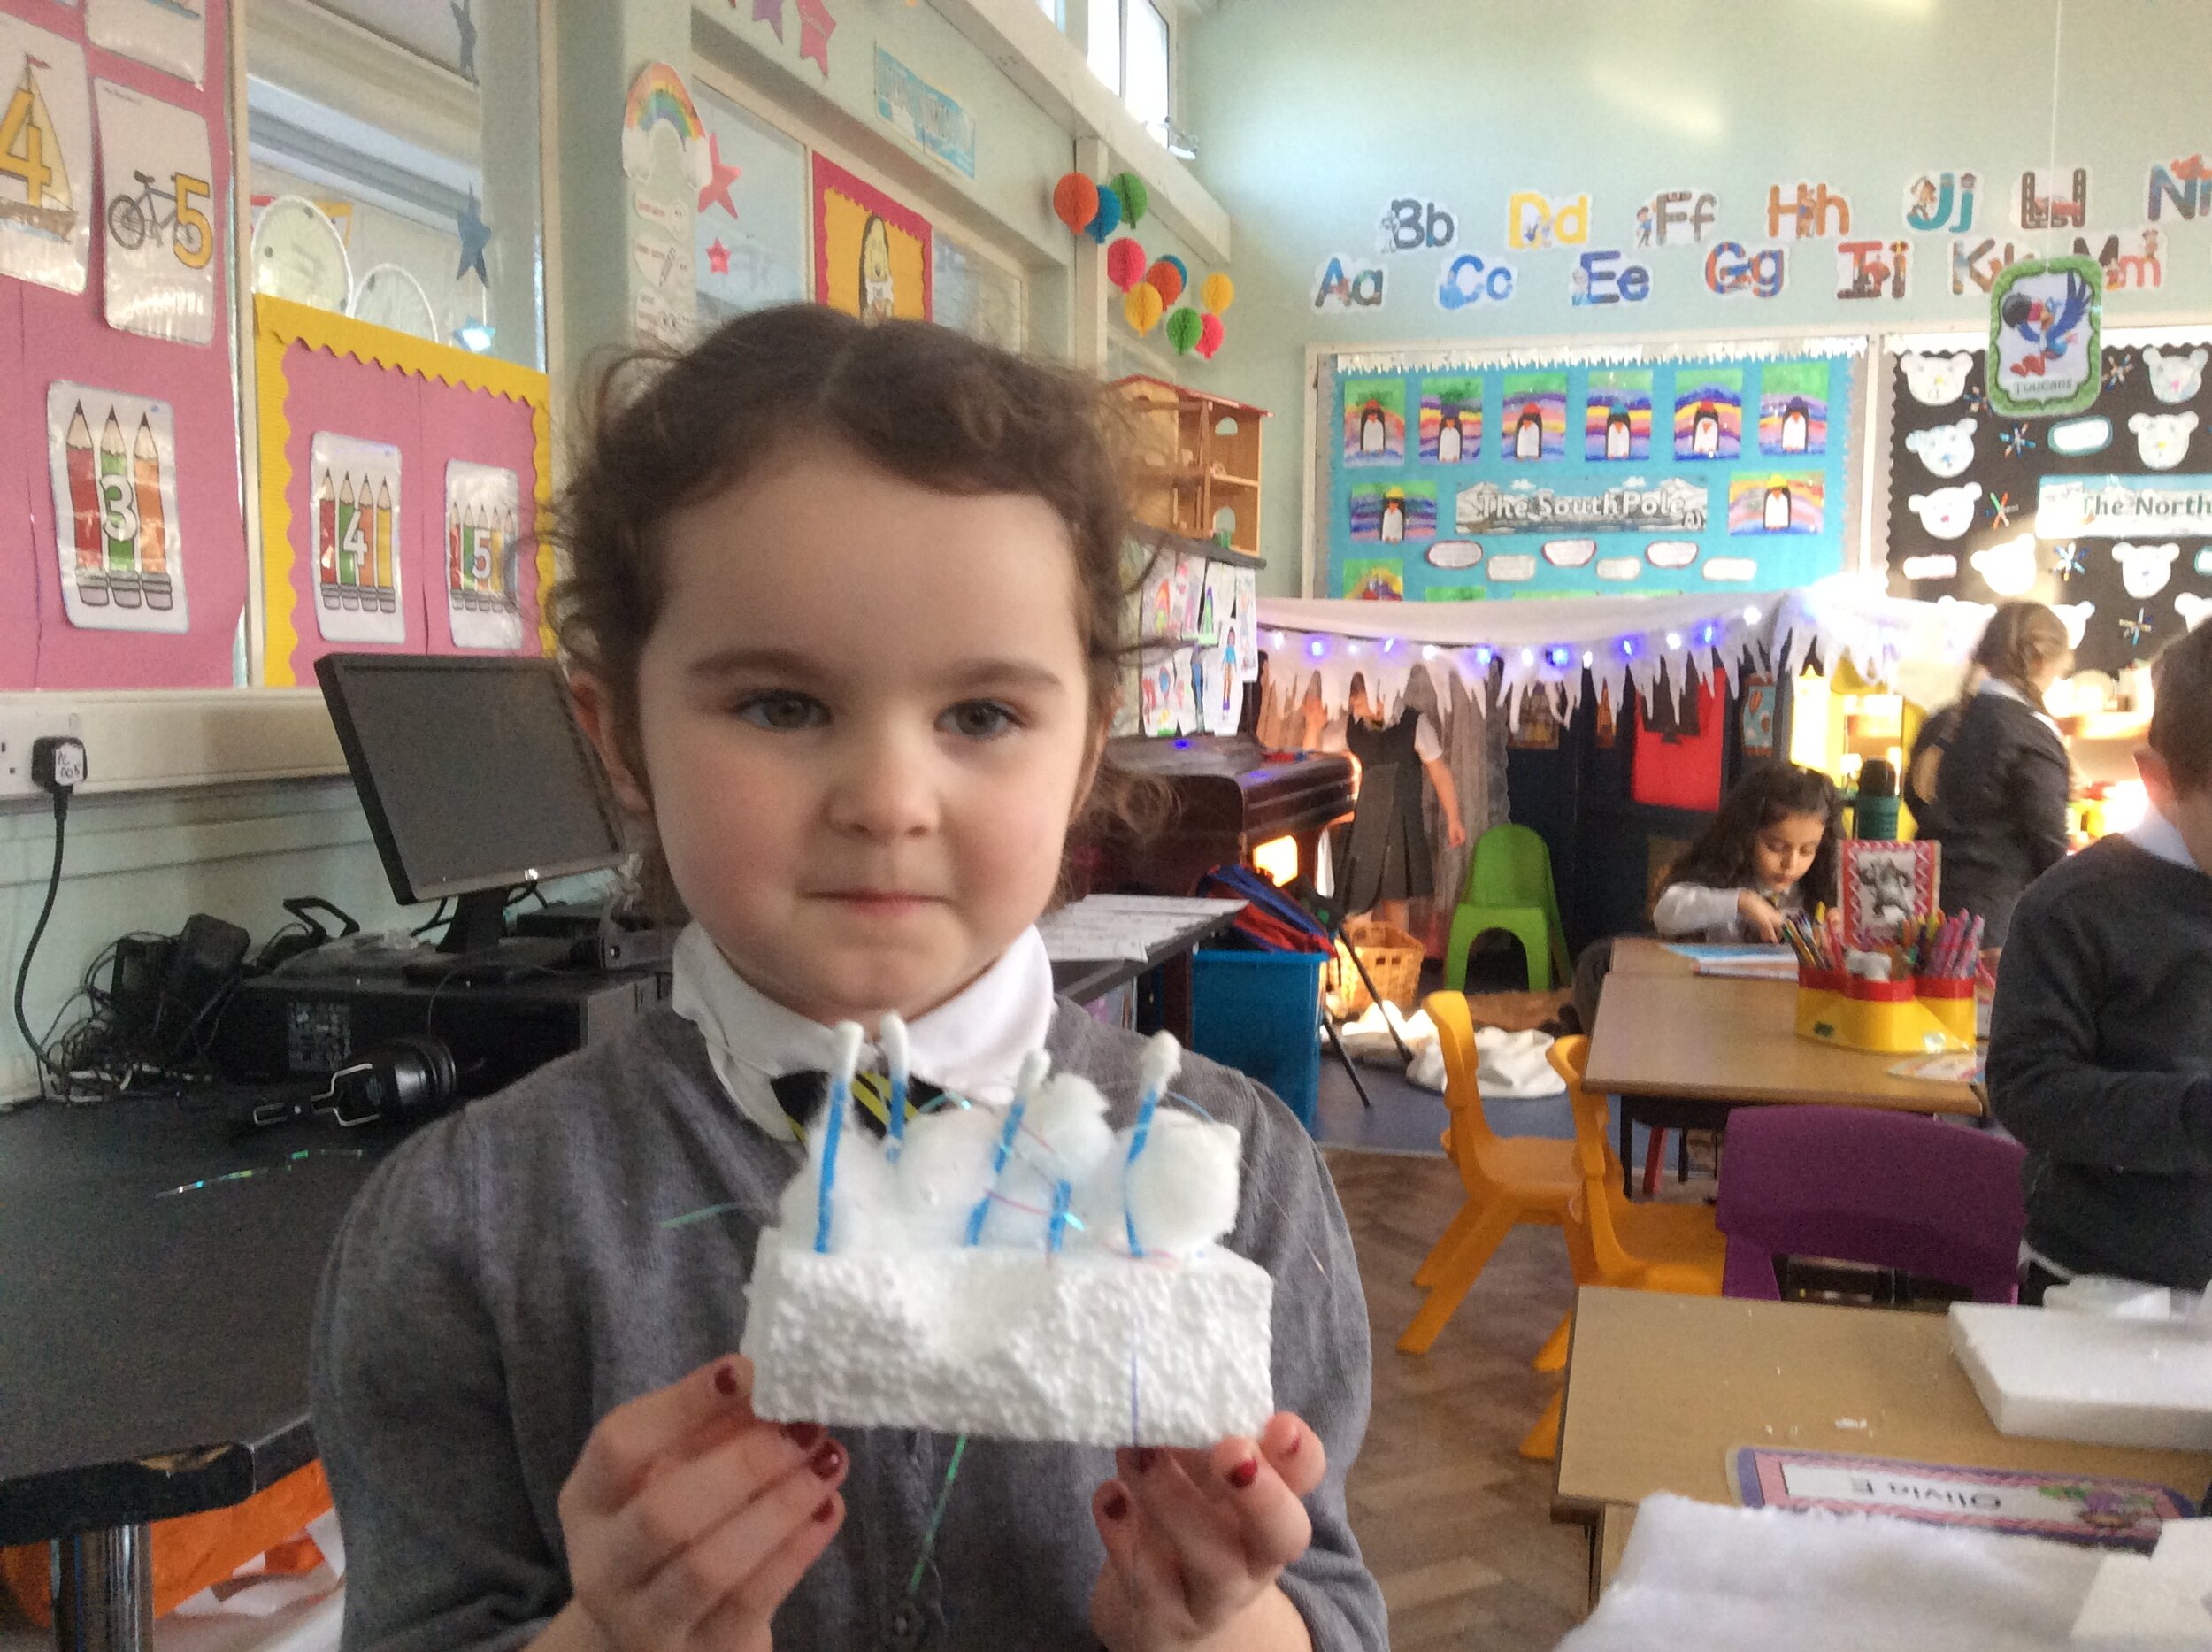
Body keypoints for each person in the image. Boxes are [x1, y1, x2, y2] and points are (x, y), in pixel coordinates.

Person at [310, 308, 1386, 1652]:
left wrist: (1222, 1624)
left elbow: (1329, 1600)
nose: (887, 798)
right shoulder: (467, 1231)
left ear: (1084, 747)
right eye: (781, 705)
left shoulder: (1237, 1176)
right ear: (619, 733)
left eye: (982, 714)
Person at [1989, 620, 2212, 1301]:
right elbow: (2027, 1088)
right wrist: (2191, 1117)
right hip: (2102, 1282)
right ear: (2160, 781)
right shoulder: (2073, 908)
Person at [1919, 602, 2074, 947]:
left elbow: (1918, 800)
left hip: (1925, 913)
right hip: (1996, 921)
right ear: (2040, 663)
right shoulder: (2033, 733)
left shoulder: (1939, 723)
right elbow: (2049, 838)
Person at [1649, 762, 1840, 943]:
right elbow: (1664, 914)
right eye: (1776, 847)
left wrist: (1839, 931)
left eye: (1807, 851)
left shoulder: (1815, 889)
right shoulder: (1723, 872)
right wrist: (1740, 902)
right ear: (1747, 834)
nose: (1791, 864)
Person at [1336, 672, 1465, 932]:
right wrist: (1314, 726)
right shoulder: (1348, 726)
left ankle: (1399, 953)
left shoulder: (1414, 724)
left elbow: (1439, 772)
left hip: (1398, 825)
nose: (1358, 709)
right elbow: (1317, 759)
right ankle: (1358, 955)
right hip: (1360, 826)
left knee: (1395, 898)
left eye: (1363, 702)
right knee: (1357, 903)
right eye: (1356, 704)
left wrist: (1454, 818)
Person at [1900, 661, 1987, 835]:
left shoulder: (1939, 719)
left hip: (1931, 834)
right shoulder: (1979, 724)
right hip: (1966, 838)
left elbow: (1912, 790)